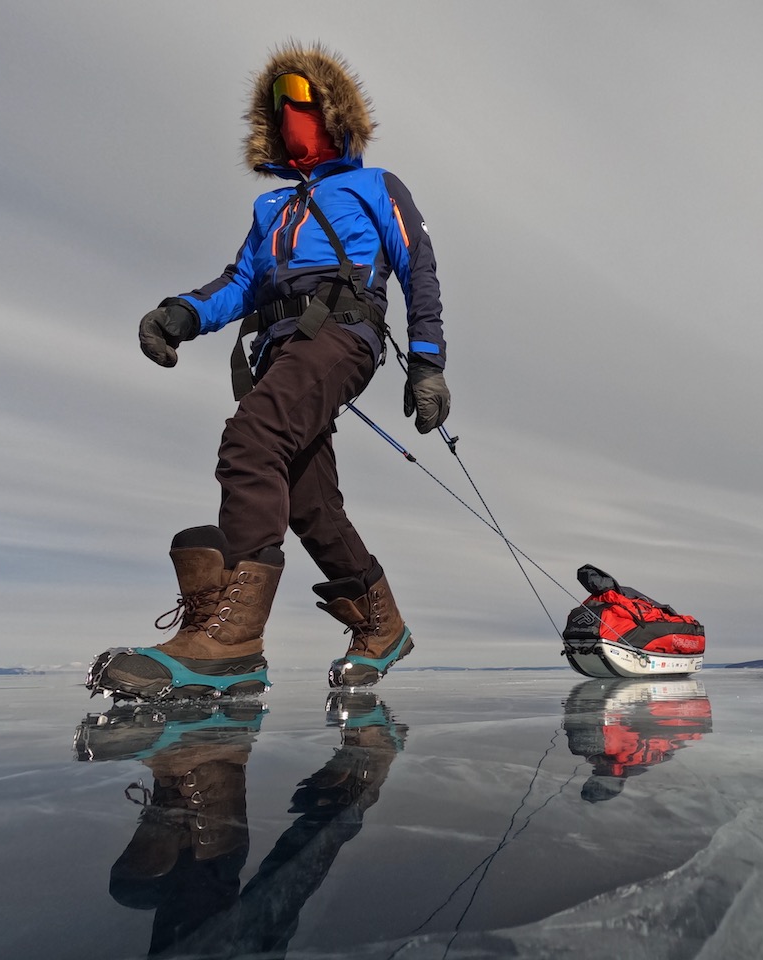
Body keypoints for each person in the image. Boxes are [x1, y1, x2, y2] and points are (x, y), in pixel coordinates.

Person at [87, 42, 449, 701]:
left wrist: (426, 365)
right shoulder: (270, 211)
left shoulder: (375, 186)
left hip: (343, 334)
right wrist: (179, 315)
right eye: (279, 110)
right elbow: (239, 284)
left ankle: (230, 643)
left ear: (334, 114)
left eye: (302, 103)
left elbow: (418, 267)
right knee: (309, 502)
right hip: (282, 349)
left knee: (253, 440)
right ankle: (381, 627)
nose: (290, 118)